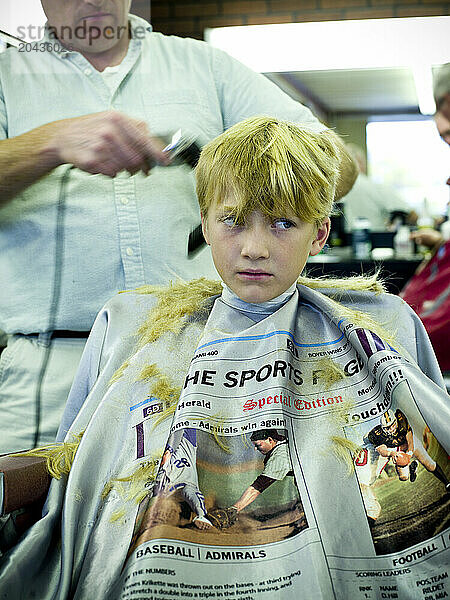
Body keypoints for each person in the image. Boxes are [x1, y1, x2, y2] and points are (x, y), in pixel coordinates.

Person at [1, 116, 448, 599]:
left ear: (320, 234)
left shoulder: (384, 321)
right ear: (205, 226)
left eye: (283, 223)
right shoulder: (134, 325)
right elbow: (82, 456)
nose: (254, 249)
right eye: (233, 221)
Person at [0, 0, 358, 453]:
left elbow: (339, 165)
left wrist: (254, 167)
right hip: (54, 369)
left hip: (208, 357)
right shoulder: (8, 77)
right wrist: (48, 143)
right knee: (27, 515)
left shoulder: (205, 67)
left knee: (198, 516)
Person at [356, 408, 449, 526]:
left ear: (395, 421)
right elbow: (382, 450)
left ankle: (447, 483)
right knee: (404, 477)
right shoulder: (376, 434)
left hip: (408, 445)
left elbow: (410, 441)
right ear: (382, 427)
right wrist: (392, 454)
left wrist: (409, 455)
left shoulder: (401, 420)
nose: (390, 429)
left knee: (429, 464)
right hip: (394, 450)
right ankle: (411, 468)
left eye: (392, 425)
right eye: (387, 427)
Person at [339, 143, 416, 233]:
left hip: (344, 242)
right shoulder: (374, 186)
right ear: (360, 163)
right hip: (376, 241)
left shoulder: (335, 190)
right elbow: (412, 215)